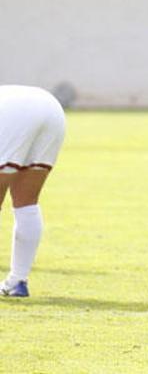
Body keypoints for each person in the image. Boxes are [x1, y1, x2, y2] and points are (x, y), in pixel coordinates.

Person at [0, 86, 65, 298]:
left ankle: (18, 280)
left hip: (10, 112)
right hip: (50, 107)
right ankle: (18, 280)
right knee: (27, 202)